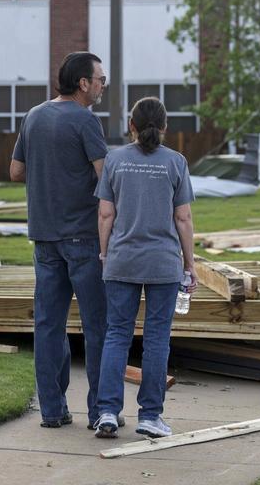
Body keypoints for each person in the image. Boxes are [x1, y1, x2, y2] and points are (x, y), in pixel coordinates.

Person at [9, 51, 110, 430]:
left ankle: (53, 411)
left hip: (44, 238)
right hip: (83, 238)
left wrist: (49, 172)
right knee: (96, 326)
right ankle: (101, 411)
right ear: (83, 83)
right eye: (100, 79)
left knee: (49, 325)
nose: (102, 85)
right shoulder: (85, 121)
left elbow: (16, 170)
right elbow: (106, 180)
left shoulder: (33, 116)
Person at [92, 96, 196, 439]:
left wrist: (106, 254)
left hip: (122, 259)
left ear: (131, 125)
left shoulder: (115, 160)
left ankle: (106, 412)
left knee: (116, 335)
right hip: (163, 264)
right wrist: (190, 264)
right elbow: (183, 218)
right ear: (165, 127)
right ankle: (150, 416)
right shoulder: (176, 162)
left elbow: (106, 214)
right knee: (156, 339)